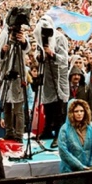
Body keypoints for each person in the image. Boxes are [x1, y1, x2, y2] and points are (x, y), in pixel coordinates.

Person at [33, 15, 69, 148]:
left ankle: (59, 135)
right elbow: (37, 54)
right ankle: (48, 129)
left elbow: (64, 58)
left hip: (59, 74)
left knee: (59, 105)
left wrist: (51, 53)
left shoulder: (60, 38)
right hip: (47, 74)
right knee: (48, 103)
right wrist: (40, 56)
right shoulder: (39, 38)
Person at [0, 22, 30, 142]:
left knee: (19, 109)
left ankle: (19, 134)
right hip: (5, 76)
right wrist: (3, 51)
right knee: (6, 107)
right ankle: (9, 132)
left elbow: (27, 49)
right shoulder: (3, 37)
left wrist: (23, 41)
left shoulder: (22, 37)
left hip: (18, 78)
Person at [57, 99, 92, 184]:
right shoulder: (64, 129)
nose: (79, 113)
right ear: (71, 113)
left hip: (90, 172)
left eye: (81, 111)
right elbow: (63, 152)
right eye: (76, 111)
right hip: (70, 172)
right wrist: (80, 166)